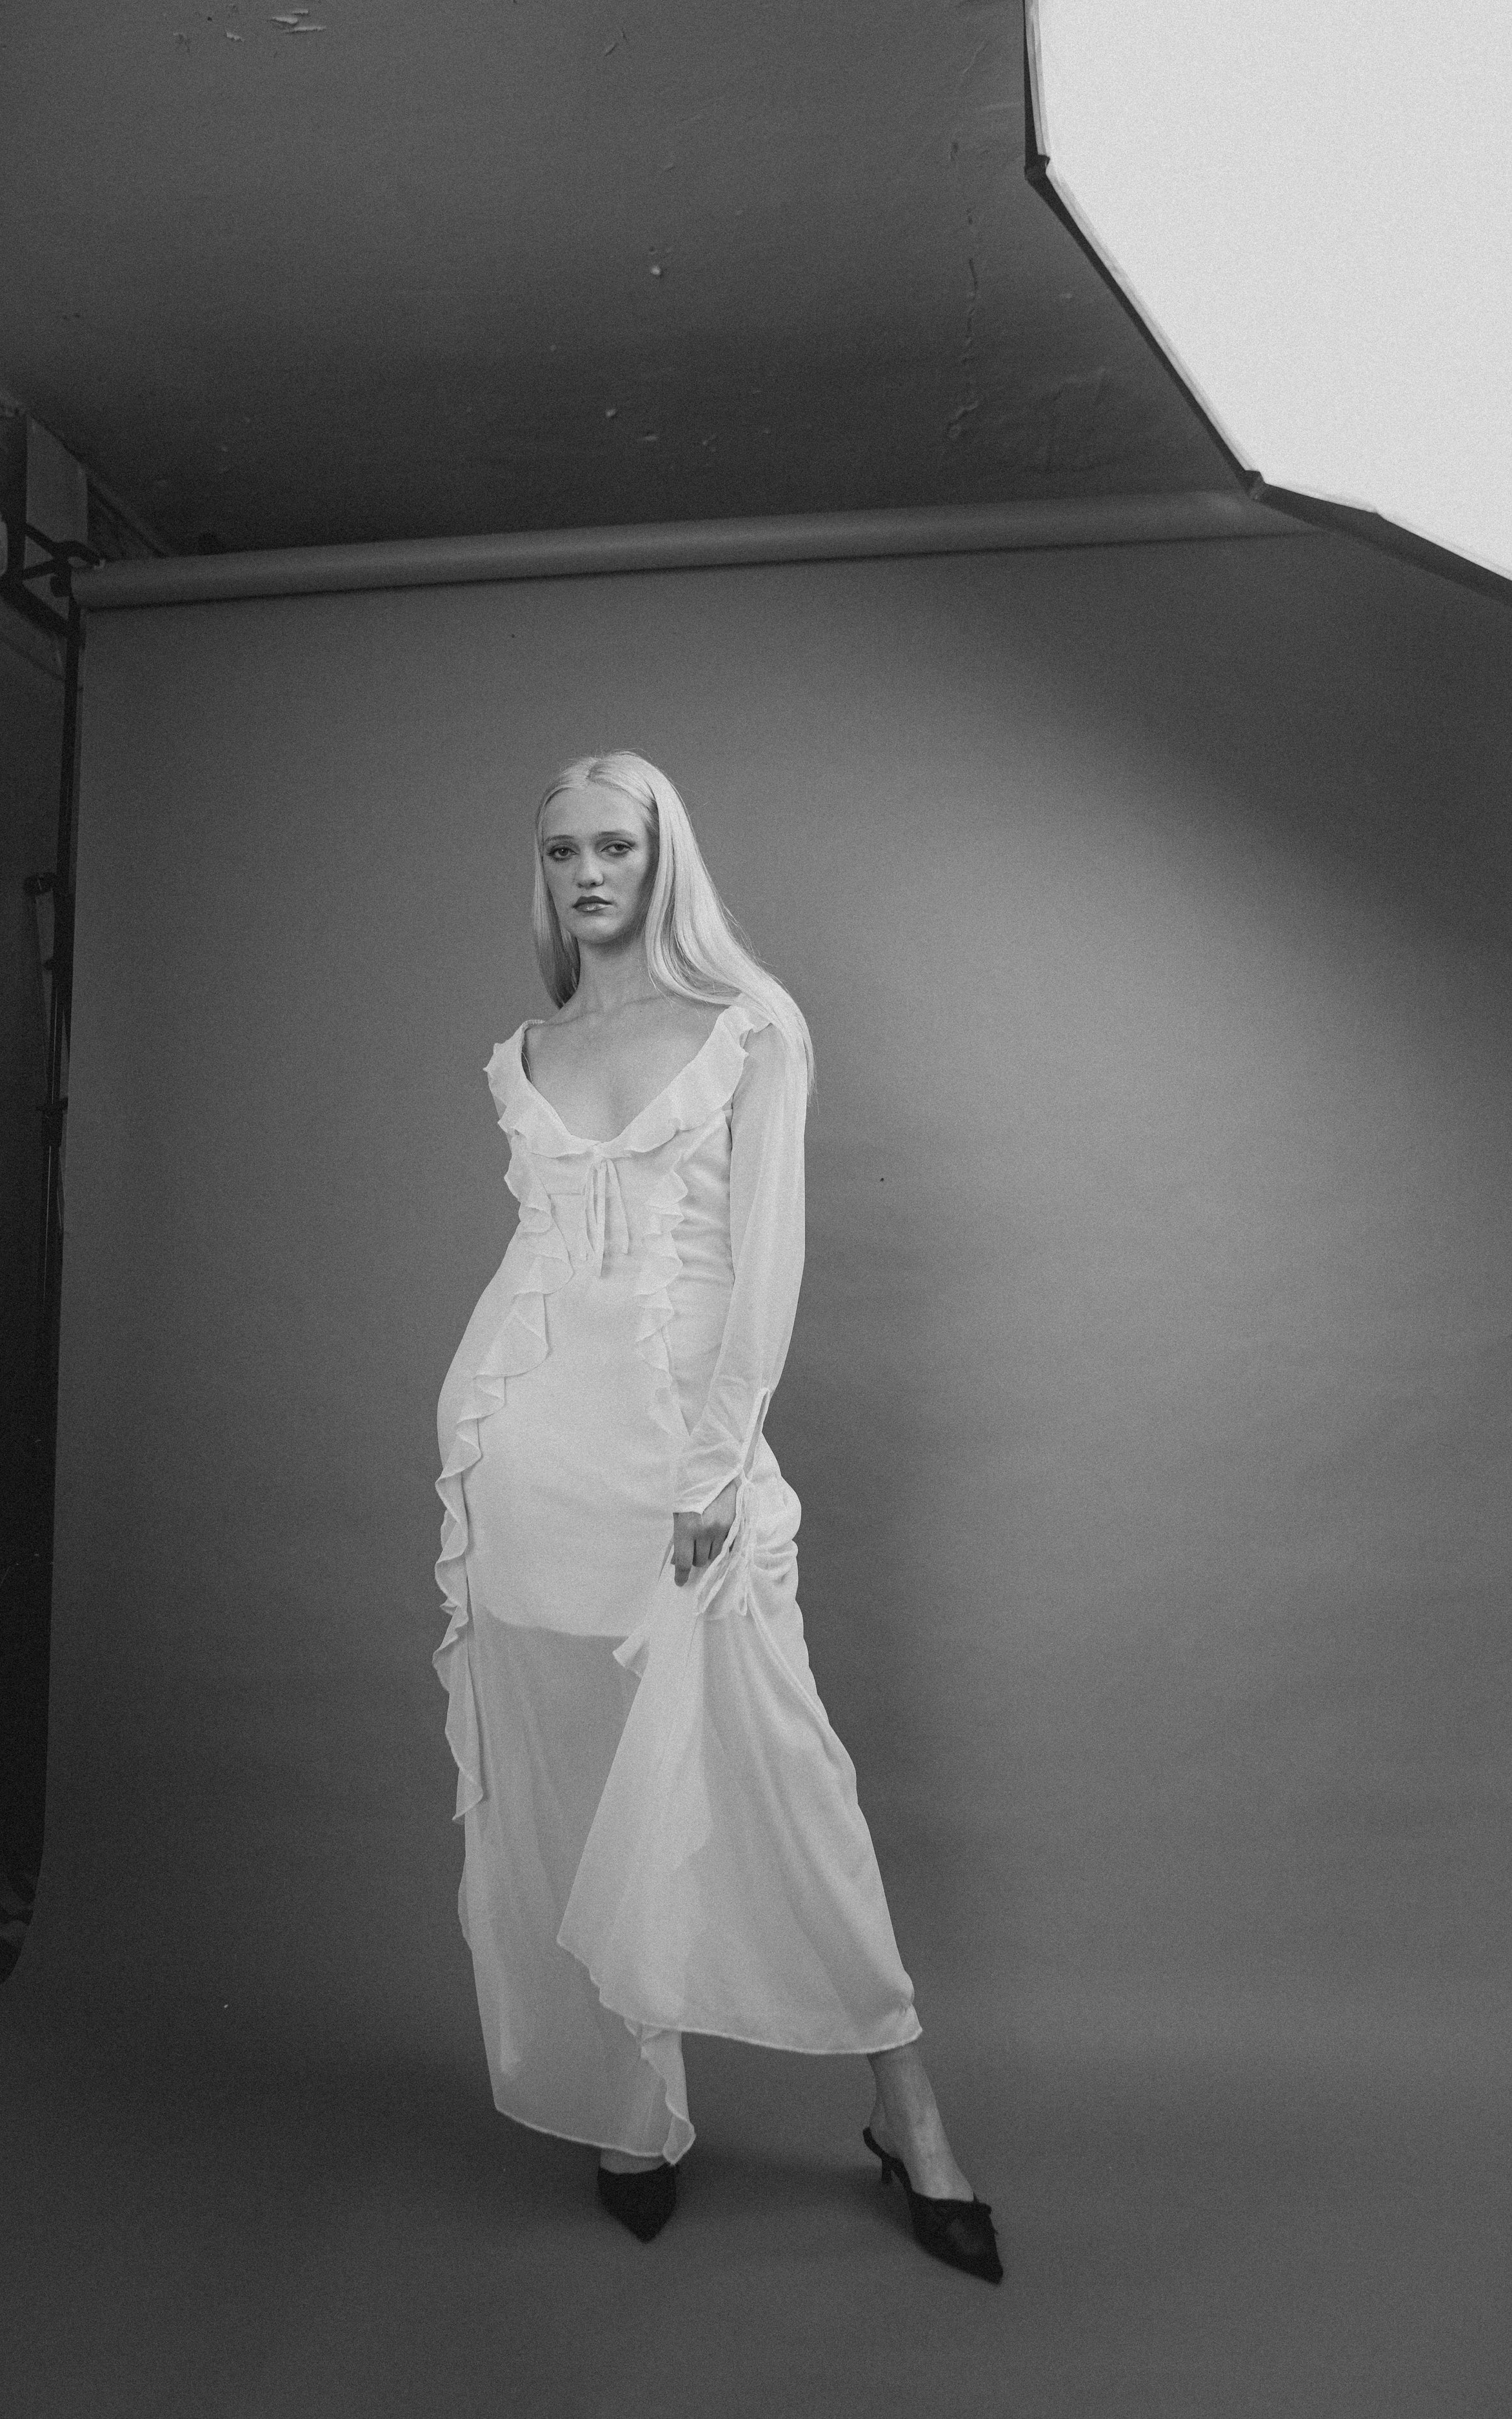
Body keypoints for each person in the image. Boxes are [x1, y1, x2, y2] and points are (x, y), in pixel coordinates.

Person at [433, 752, 1000, 2278]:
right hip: (526, 1451)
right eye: (561, 853)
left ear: (661, 853)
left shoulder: (752, 1033)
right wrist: (469, 1428)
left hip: (683, 1456)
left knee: (785, 1775)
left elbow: (767, 1266)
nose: (588, 875)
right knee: (578, 1772)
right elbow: (535, 1261)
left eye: (614, 845)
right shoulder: (526, 1050)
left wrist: (709, 1469)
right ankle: (631, 2101)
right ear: (542, 873)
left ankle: (912, 2119)